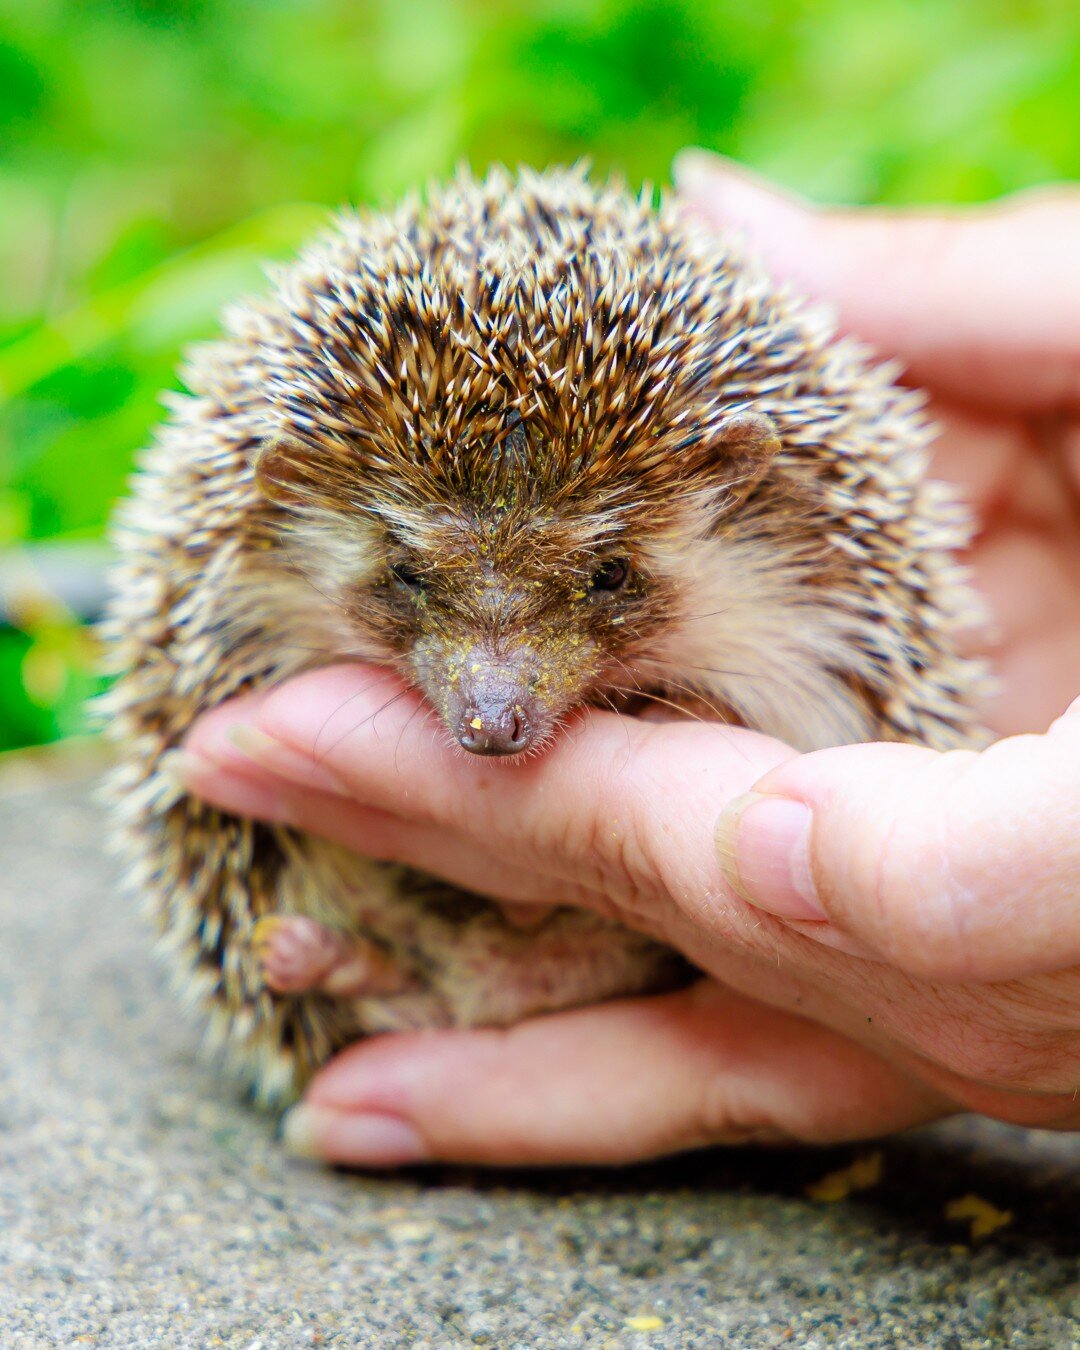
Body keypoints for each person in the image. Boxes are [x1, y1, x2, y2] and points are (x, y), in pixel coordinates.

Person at [177, 152, 1080, 1168]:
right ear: (296, 499)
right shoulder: (252, 581)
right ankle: (424, 967)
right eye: (411, 584)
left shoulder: (806, 587)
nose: (493, 690)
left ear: (739, 497)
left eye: (606, 580)